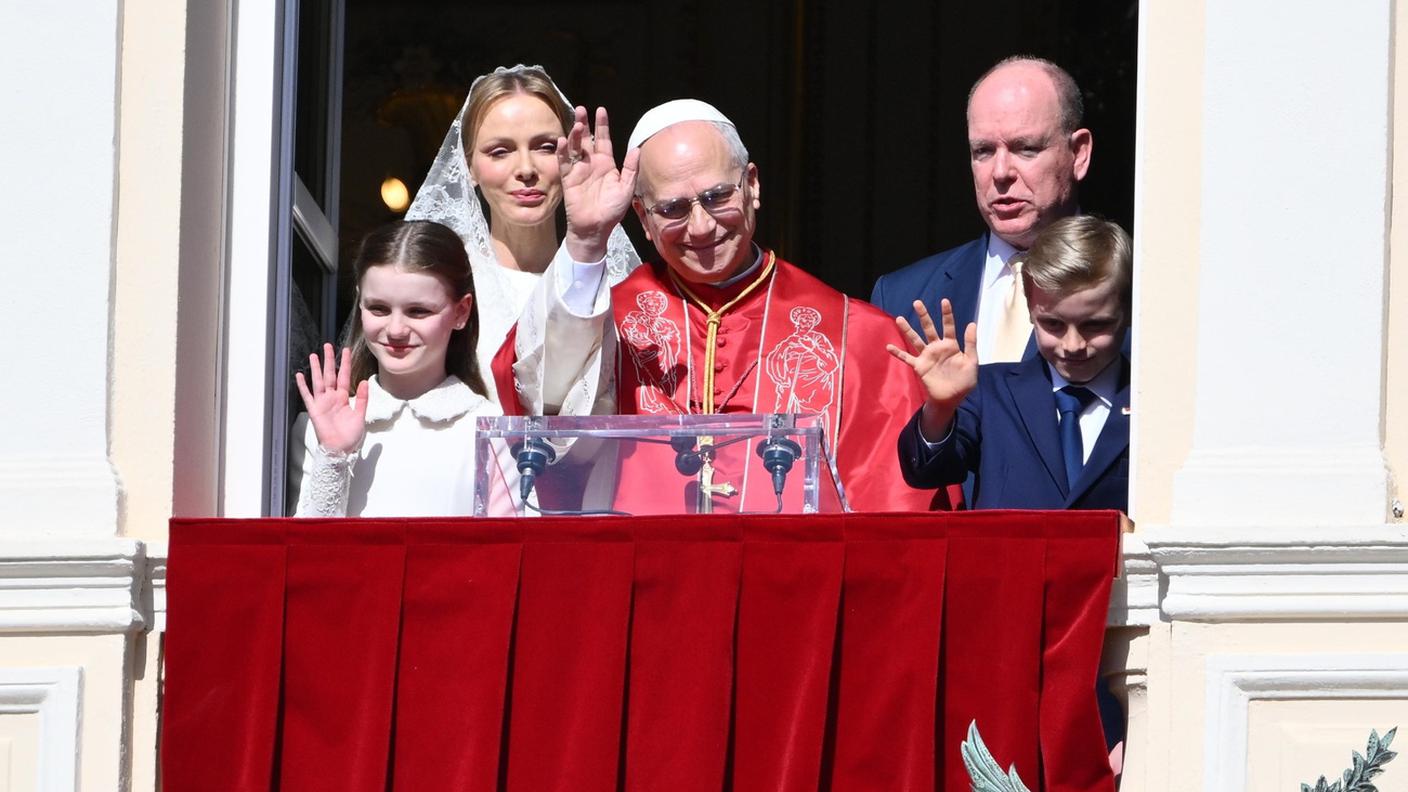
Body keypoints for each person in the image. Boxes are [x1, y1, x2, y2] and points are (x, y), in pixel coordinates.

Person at [497, 99, 937, 512]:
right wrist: (587, 240)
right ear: (643, 219)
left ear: (753, 185)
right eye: (672, 209)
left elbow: (896, 512)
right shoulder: (608, 322)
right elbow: (542, 406)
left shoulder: (856, 335)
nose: (702, 226)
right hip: (643, 579)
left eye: (716, 196)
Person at [406, 64, 639, 405]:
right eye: (500, 151)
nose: (526, 169)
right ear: (469, 166)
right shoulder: (441, 285)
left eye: (545, 147)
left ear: (570, 156)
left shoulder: (613, 283)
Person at [287, 220, 535, 517]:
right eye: (378, 308)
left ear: (461, 312)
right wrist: (334, 455)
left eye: (418, 311)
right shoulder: (317, 428)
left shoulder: (495, 431)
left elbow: (503, 556)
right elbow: (308, 556)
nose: (396, 329)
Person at [890, 214, 1129, 511]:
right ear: (1030, 309)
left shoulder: (1151, 403)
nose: (1073, 345)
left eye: (1095, 325)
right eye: (1053, 324)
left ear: (1128, 312)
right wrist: (940, 409)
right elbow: (926, 472)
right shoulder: (992, 392)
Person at [871, 56, 1092, 364]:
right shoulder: (902, 298)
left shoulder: (1138, 286)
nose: (1000, 172)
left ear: (1079, 154)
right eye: (983, 151)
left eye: (1025, 148)